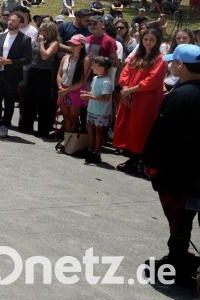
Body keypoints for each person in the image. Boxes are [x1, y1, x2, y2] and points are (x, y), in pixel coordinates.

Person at [142, 44, 200, 283]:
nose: (170, 65)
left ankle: (177, 261)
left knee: (178, 218)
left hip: (178, 174)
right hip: (193, 173)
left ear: (181, 65)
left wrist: (150, 163)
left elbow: (161, 134)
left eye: (173, 62)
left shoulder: (180, 96)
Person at [114, 27, 167, 174]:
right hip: (129, 96)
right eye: (145, 39)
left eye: (152, 40)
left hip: (145, 100)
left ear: (157, 42)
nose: (148, 42)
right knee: (128, 126)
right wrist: (125, 90)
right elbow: (125, 73)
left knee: (141, 128)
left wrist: (129, 91)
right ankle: (132, 157)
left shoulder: (160, 59)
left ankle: (139, 160)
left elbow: (151, 81)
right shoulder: (137, 56)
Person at [0, 12, 32, 138]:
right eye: (10, 20)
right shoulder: (0, 36)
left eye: (14, 20)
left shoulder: (25, 39)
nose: (10, 22)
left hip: (12, 76)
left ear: (20, 24)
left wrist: (10, 61)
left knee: (9, 102)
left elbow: (27, 59)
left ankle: (5, 126)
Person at [18, 22, 60, 138]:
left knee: (44, 102)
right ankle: (26, 126)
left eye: (43, 30)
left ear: (49, 32)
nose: (40, 32)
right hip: (33, 70)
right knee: (29, 99)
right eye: (40, 29)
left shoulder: (54, 43)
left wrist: (41, 43)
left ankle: (43, 129)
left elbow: (45, 56)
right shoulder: (38, 40)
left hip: (45, 73)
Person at [55, 34, 88, 150]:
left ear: (81, 46)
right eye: (71, 44)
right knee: (66, 117)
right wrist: (61, 87)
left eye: (75, 44)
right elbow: (59, 75)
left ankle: (68, 142)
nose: (72, 46)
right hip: (63, 89)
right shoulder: (65, 57)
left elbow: (82, 81)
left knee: (73, 118)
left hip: (75, 91)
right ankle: (67, 140)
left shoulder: (85, 60)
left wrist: (66, 90)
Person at [80, 56, 113, 164]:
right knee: (90, 129)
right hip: (92, 109)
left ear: (102, 68)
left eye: (95, 65)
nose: (92, 67)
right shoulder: (95, 78)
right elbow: (95, 93)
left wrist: (89, 96)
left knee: (99, 132)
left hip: (101, 112)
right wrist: (87, 94)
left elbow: (106, 98)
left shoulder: (107, 82)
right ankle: (90, 149)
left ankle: (96, 152)